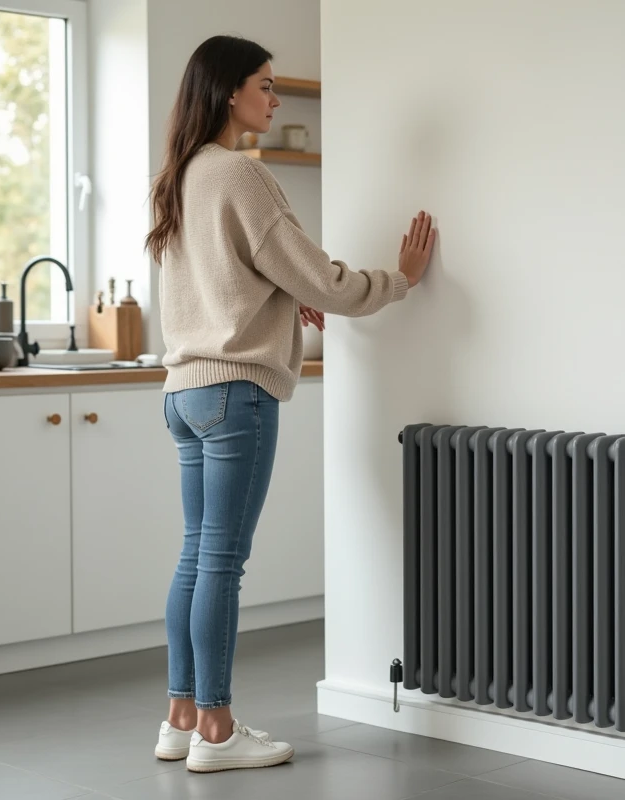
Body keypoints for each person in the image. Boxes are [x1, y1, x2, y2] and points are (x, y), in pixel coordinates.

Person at [144, 34, 436, 774]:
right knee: (222, 563)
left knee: (195, 556)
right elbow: (328, 282)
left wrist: (283, 299)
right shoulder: (242, 175)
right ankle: (217, 729)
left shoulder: (179, 175)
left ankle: (180, 716)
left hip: (184, 393)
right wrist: (399, 279)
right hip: (236, 393)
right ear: (229, 92)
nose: (274, 99)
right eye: (265, 86)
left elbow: (230, 279)